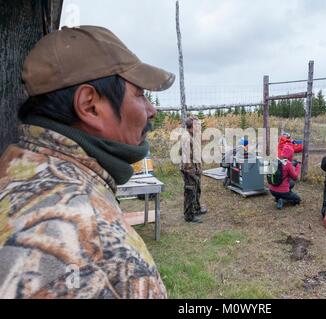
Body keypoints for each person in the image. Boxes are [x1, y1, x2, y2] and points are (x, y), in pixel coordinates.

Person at [0, 26, 175, 299]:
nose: (152, 111)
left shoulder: (15, 169)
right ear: (90, 105)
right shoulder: (91, 243)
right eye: (140, 94)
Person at [180, 117, 208, 223]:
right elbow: (186, 158)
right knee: (190, 191)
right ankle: (189, 216)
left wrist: (199, 168)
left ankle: (196, 208)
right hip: (189, 169)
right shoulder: (186, 138)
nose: (199, 127)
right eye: (197, 125)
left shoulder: (193, 136)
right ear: (192, 127)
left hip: (195, 168)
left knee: (196, 189)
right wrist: (191, 171)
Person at [269, 144, 302, 209]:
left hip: (272, 190)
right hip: (283, 191)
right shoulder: (288, 164)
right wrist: (297, 167)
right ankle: (283, 200)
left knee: (291, 183)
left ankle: (278, 198)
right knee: (297, 200)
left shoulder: (274, 160)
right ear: (290, 155)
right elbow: (295, 177)